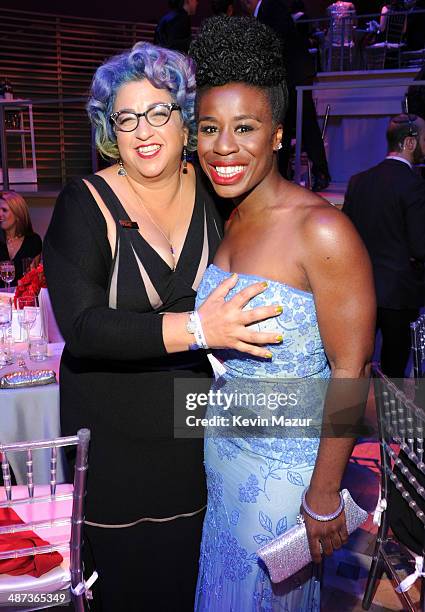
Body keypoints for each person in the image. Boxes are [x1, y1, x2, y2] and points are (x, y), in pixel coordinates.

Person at [43, 42, 281, 612]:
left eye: (158, 112)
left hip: (198, 435)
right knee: (131, 590)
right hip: (117, 438)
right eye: (125, 117)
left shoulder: (215, 192)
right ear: (110, 129)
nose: (143, 130)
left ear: (184, 120)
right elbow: (82, 327)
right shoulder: (85, 202)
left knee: (195, 585)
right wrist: (200, 328)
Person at [189, 16, 375, 610]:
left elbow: (351, 370)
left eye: (244, 128)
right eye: (210, 128)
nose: (223, 146)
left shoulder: (322, 228)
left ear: (276, 135)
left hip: (288, 479)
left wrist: (323, 495)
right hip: (224, 460)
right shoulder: (233, 218)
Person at [343, 114, 425, 379]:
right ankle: (390, 420)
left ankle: (351, 418)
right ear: (410, 143)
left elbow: (346, 235)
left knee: (356, 365)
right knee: (393, 374)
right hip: (399, 296)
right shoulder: (414, 185)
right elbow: (420, 247)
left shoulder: (359, 181)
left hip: (360, 290)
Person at [242, 0, 331, 191]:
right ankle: (283, 175)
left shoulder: (271, 7)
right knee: (286, 126)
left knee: (304, 123)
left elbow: (275, 44)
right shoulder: (267, 9)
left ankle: (318, 172)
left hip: (294, 76)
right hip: (289, 78)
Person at [0, 191, 42, 285]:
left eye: (4, 210)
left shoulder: (33, 242)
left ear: (17, 214)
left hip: (22, 298)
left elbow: (33, 280)